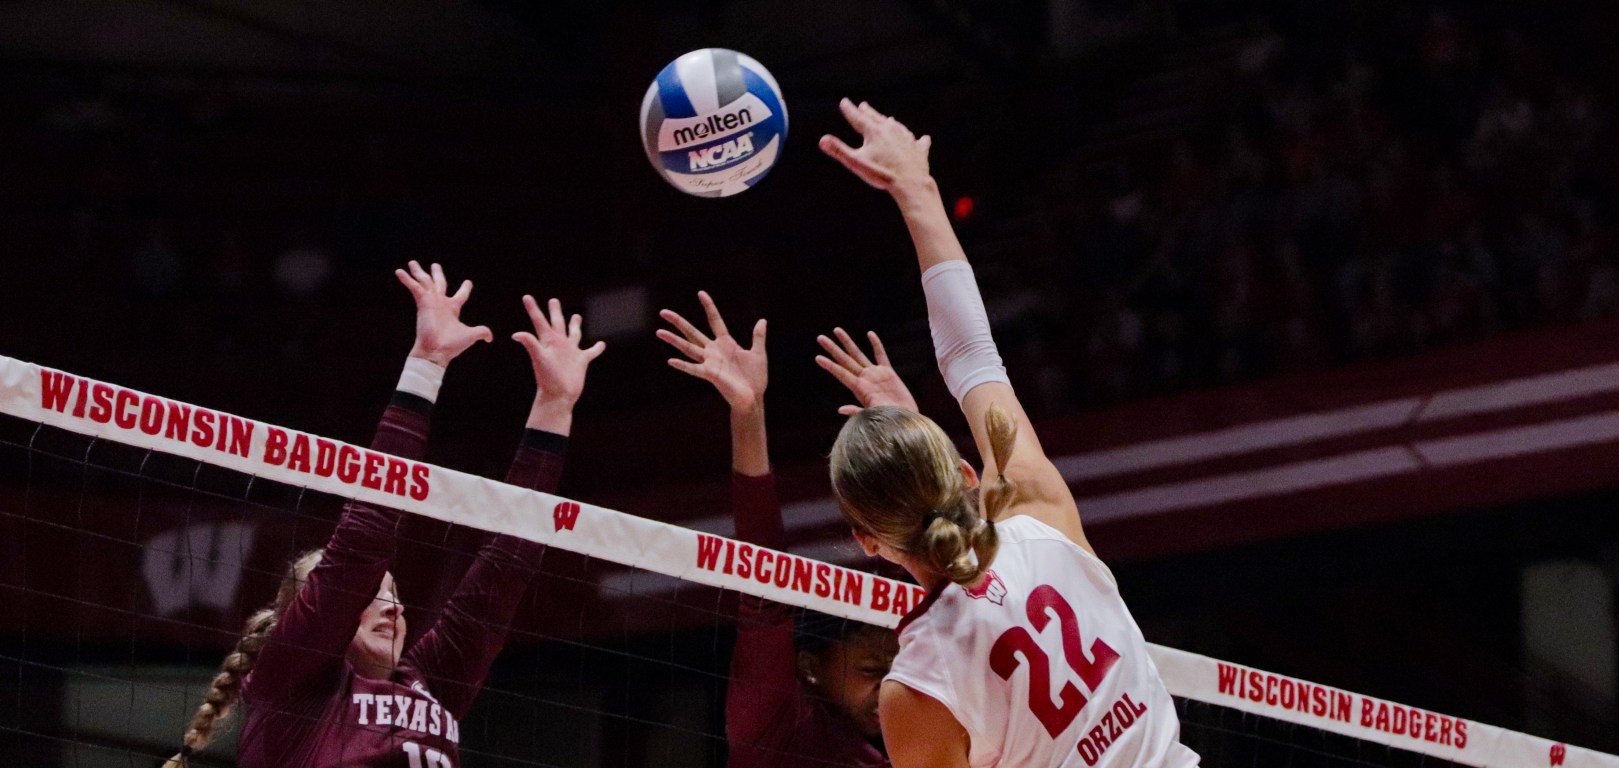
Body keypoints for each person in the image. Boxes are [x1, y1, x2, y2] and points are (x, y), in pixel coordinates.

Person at [817, 99, 1201, 768]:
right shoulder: (1035, 510)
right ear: (965, 473)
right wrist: (917, 191)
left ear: (867, 542)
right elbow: (972, 357)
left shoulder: (916, 687)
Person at [166, 261, 605, 766]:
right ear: (314, 617)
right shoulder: (293, 680)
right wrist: (426, 364)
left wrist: (554, 406)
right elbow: (362, 544)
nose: (394, 608)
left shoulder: (430, 683)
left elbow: (504, 573)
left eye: (394, 594)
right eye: (373, 595)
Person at [655, 293, 912, 768]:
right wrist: (748, 414)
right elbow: (763, 589)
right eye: (872, 669)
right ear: (810, 667)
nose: (891, 685)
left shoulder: (893, 756)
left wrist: (913, 436)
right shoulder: (772, 726)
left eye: (896, 668)